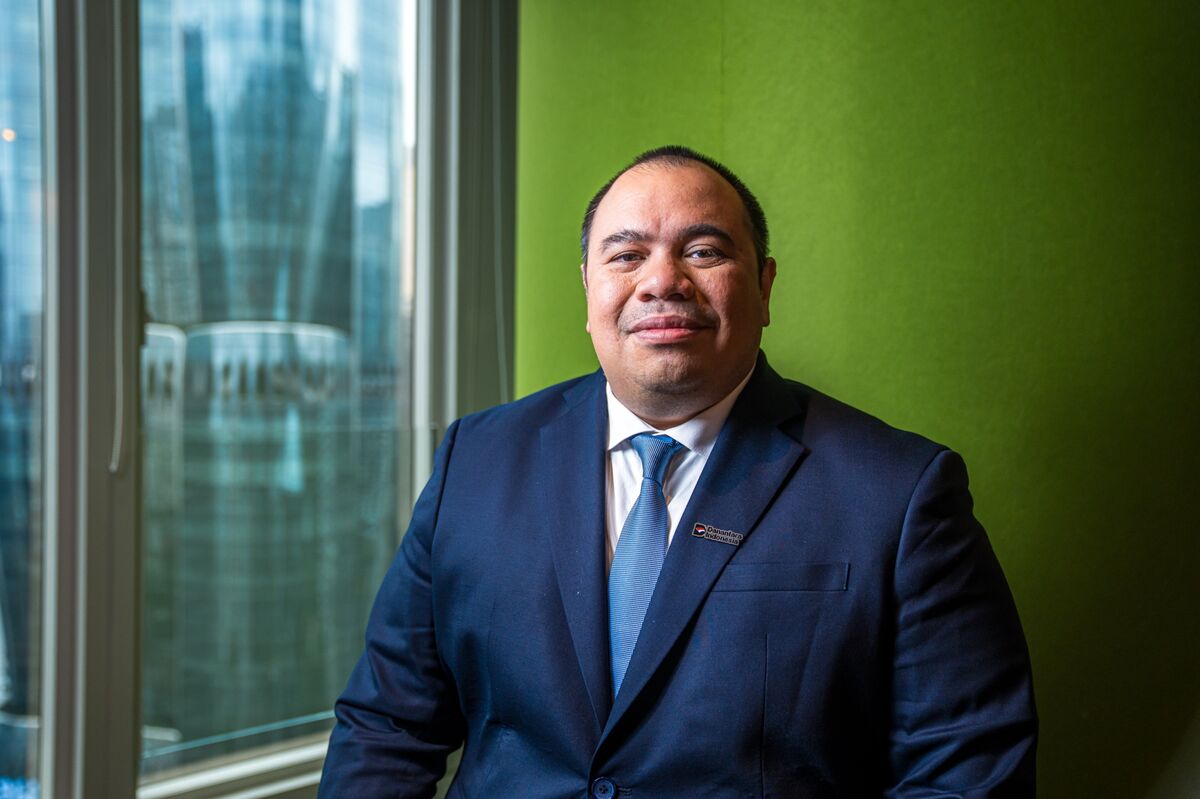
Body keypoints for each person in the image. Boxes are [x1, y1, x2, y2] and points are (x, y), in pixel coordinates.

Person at [318, 146, 1037, 797]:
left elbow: (964, 774)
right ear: (589, 289)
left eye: (704, 251)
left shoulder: (899, 493)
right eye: (626, 255)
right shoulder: (475, 460)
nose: (662, 280)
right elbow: (387, 726)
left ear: (764, 287)